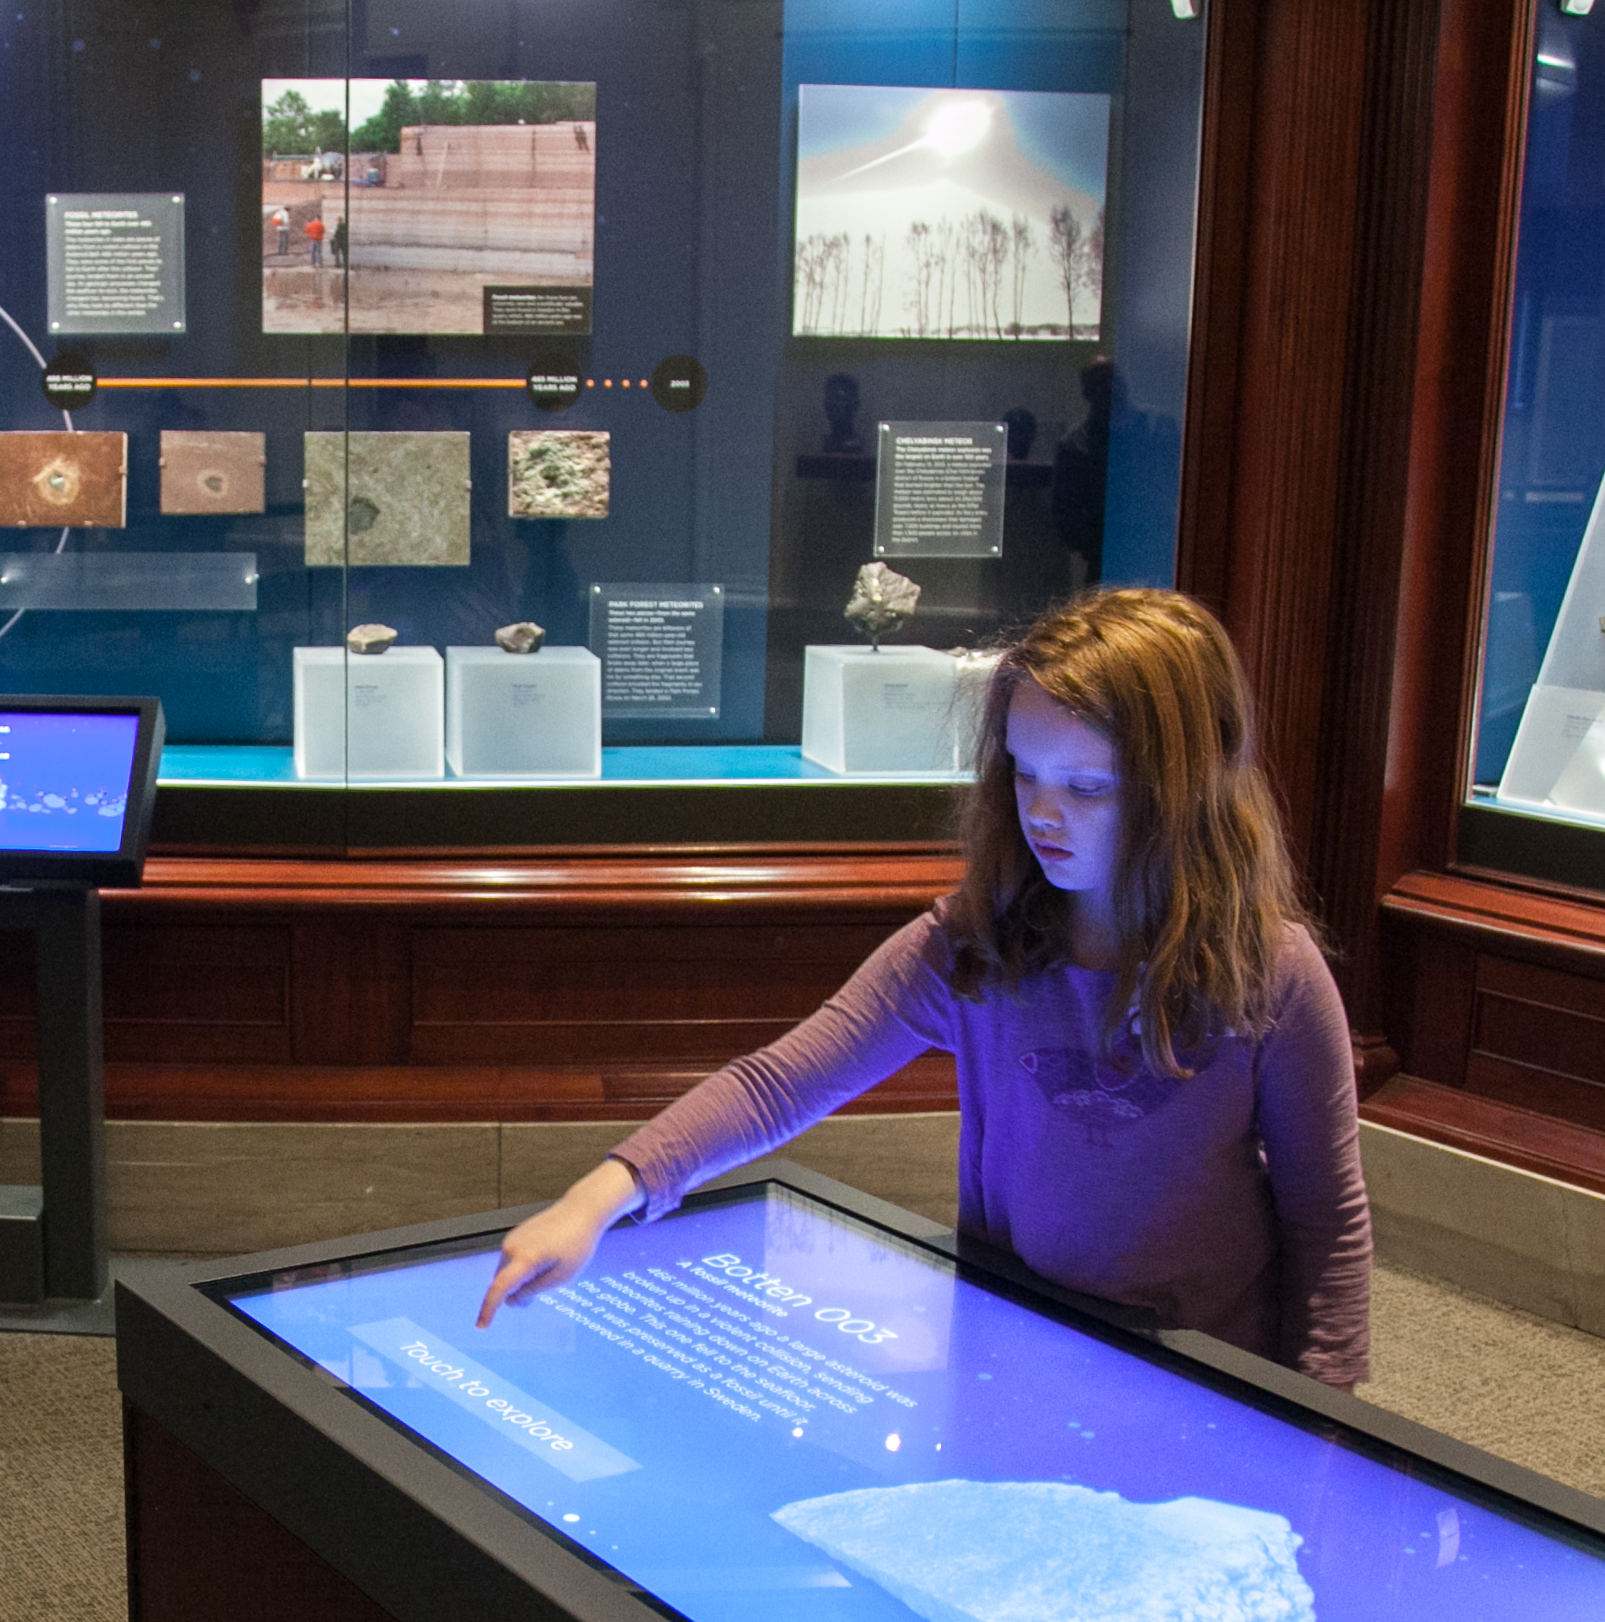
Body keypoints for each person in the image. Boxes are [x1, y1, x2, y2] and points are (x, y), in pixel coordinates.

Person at [480, 588, 1370, 1386]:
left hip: (1201, 1376)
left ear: (1185, 788)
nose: (1043, 812)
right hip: (1017, 1342)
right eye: (1024, 773)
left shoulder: (1275, 974)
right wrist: (599, 1198)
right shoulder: (974, 945)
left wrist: (1326, 1429)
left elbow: (1326, 1224)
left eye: (1088, 786)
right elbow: (782, 1080)